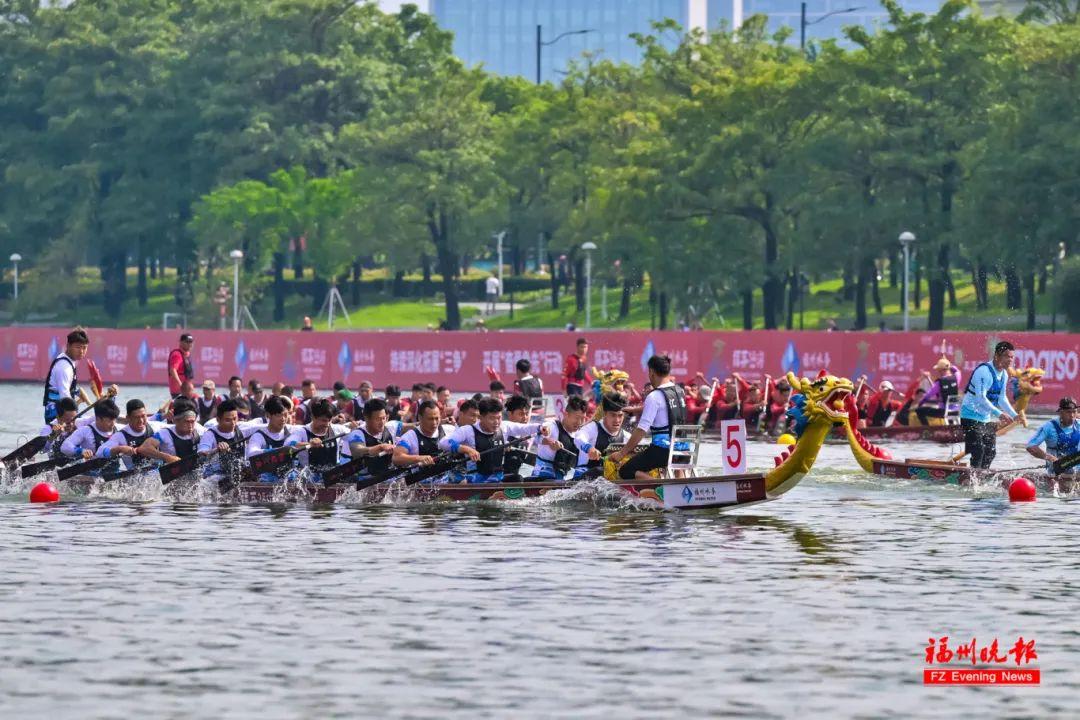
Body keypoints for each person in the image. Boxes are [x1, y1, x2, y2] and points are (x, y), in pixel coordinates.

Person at [608, 355, 687, 480]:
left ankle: (661, 489)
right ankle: (680, 487)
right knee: (674, 464)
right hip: (684, 449)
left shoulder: (654, 396)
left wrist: (622, 453)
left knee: (626, 471)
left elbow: (641, 430)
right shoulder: (680, 391)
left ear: (651, 372)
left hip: (663, 451)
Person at [440, 398, 547, 483]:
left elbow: (526, 428)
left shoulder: (504, 427)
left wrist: (541, 428)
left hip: (497, 478)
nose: (496, 422)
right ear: (481, 417)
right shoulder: (468, 431)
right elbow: (443, 443)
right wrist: (465, 449)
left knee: (523, 479)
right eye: (492, 418)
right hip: (475, 479)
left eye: (499, 418)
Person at [960, 340, 1018, 469]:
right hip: (970, 417)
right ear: (997, 356)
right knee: (978, 451)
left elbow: (1001, 398)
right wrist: (999, 413)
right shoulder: (983, 371)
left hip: (985, 419)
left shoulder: (1004, 374)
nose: (1010, 360)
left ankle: (981, 477)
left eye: (1012, 357)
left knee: (991, 452)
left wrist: (1015, 415)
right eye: (1007, 357)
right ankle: (972, 480)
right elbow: (981, 398)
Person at [532, 395, 599, 480]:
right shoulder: (552, 426)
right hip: (543, 474)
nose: (579, 422)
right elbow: (536, 436)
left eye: (583, 418)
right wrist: (549, 441)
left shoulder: (581, 434)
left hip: (565, 477)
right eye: (577, 418)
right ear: (566, 414)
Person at [1026, 397, 1080, 486]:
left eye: (1074, 412)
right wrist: (1048, 457)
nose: (1072, 415)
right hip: (1056, 470)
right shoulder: (1049, 427)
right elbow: (1031, 447)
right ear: (1061, 413)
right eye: (1068, 412)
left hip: (1075, 469)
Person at [43, 328, 91, 423]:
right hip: (56, 415)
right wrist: (75, 418)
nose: (81, 351)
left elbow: (68, 388)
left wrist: (78, 392)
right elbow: (65, 397)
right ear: (68, 346)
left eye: (84, 347)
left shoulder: (66, 360)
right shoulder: (64, 367)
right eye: (78, 347)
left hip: (60, 410)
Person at [285, 398, 348, 470]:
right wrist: (309, 444)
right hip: (308, 477)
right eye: (323, 420)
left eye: (329, 420)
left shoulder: (337, 429)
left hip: (332, 476)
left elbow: (356, 438)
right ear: (313, 417)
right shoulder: (302, 432)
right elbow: (288, 445)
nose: (327, 425)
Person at [343, 398, 398, 477]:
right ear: (366, 418)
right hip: (363, 478)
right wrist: (381, 447)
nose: (382, 422)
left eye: (383, 418)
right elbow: (357, 451)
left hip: (387, 477)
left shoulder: (391, 427)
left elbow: (415, 426)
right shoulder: (357, 434)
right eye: (378, 419)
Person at [576, 393, 629, 475]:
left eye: (620, 416)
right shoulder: (593, 428)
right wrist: (589, 448)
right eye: (613, 415)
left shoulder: (627, 437)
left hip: (610, 479)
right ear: (604, 414)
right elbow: (578, 438)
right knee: (599, 471)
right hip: (585, 475)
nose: (617, 420)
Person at [138, 400, 202, 464]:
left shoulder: (198, 429)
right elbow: (143, 448)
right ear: (175, 421)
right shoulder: (164, 434)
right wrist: (167, 457)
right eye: (187, 422)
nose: (190, 426)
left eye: (192, 422)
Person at [96, 399, 153, 471]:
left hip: (156, 471)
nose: (141, 421)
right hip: (135, 475)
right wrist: (119, 449)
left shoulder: (154, 427)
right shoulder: (121, 436)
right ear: (128, 418)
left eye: (143, 416)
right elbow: (99, 452)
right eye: (136, 417)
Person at [394, 400, 448, 471]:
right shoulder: (410, 437)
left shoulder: (448, 430)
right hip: (420, 478)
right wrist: (419, 458)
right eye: (430, 419)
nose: (434, 423)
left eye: (437, 418)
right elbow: (396, 458)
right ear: (420, 418)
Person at [916, 357, 962, 425]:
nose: (937, 371)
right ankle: (951, 427)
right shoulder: (957, 377)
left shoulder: (939, 383)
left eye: (938, 370)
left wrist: (920, 404)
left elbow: (927, 396)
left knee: (919, 411)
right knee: (948, 413)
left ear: (941, 370)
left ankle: (927, 431)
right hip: (956, 411)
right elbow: (957, 370)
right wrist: (948, 364)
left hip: (943, 412)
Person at [168, 333, 194, 398]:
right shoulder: (177, 355)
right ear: (181, 342)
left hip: (186, 390)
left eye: (191, 342)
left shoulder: (186, 354)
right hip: (179, 391)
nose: (190, 344)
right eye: (187, 342)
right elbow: (173, 370)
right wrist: (181, 385)